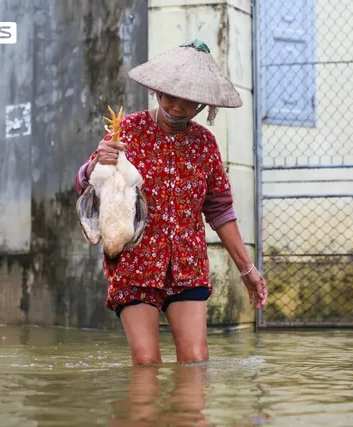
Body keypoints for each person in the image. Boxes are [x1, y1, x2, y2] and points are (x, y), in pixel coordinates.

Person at [75, 40, 267, 366]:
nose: (177, 107)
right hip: (136, 265)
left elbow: (219, 209)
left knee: (195, 361)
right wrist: (95, 166)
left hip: (187, 267)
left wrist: (246, 268)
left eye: (189, 102)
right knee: (147, 362)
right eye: (170, 96)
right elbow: (86, 185)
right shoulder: (128, 131)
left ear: (204, 106)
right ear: (156, 91)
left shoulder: (205, 143)